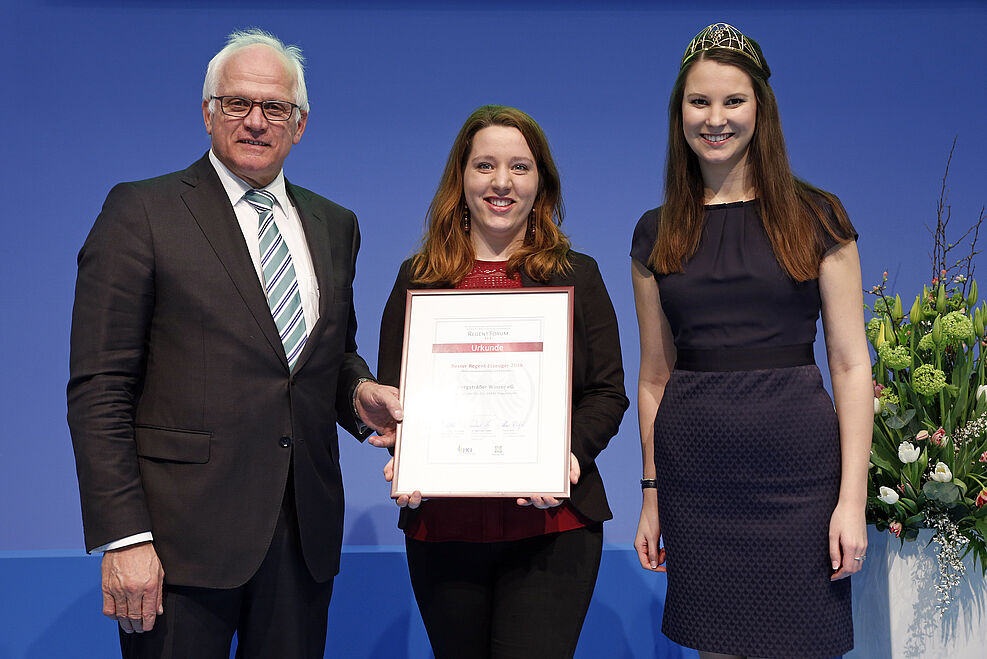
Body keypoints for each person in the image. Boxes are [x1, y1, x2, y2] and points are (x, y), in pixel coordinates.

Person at [67, 28, 402, 658]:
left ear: (299, 123)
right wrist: (125, 536)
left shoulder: (335, 224)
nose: (255, 121)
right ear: (207, 113)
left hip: (303, 539)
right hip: (176, 545)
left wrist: (359, 393)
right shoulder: (141, 211)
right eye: (236, 104)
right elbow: (99, 389)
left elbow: (321, 357)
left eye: (274, 108)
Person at [631, 23, 872, 659]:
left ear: (760, 110)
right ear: (679, 112)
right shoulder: (655, 233)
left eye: (733, 101)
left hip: (799, 479)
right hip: (697, 483)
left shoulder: (818, 217)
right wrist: (651, 494)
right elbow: (654, 376)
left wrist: (853, 501)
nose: (716, 118)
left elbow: (850, 367)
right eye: (699, 101)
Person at [375, 105, 628, 658]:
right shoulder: (419, 278)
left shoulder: (577, 275)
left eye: (520, 166)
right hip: (442, 527)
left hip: (553, 527)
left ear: (542, 182)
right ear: (461, 179)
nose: (501, 182)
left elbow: (608, 392)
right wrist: (405, 448)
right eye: (485, 165)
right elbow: (398, 395)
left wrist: (568, 453)